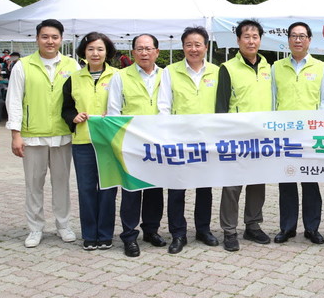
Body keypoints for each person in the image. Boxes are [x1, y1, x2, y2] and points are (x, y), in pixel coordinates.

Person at [6, 19, 79, 248]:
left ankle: (63, 225)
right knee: (33, 184)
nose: (50, 41)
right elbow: (14, 101)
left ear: (61, 39)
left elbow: (79, 97)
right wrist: (16, 134)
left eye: (54, 37)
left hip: (62, 135)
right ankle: (35, 228)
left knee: (62, 183)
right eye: (45, 37)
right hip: (33, 135)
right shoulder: (23, 65)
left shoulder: (72, 65)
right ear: (37, 38)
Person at [157, 26, 220, 253]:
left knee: (205, 189)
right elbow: (164, 105)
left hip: (207, 140)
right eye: (189, 45)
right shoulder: (170, 71)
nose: (193, 49)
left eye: (198, 44)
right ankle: (178, 233)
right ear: (183, 47)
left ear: (206, 47)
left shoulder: (217, 71)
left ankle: (203, 229)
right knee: (177, 189)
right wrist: (167, 136)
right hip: (179, 140)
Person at [107, 34, 166, 257]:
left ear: (157, 52)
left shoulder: (166, 75)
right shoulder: (120, 76)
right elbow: (113, 111)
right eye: (139, 49)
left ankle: (151, 230)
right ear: (133, 52)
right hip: (130, 143)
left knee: (155, 190)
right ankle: (129, 236)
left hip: (156, 143)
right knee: (131, 191)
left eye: (148, 49)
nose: (144, 53)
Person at [215, 19, 272, 251]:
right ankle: (229, 231)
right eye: (246, 37)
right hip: (236, 136)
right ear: (238, 40)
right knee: (232, 186)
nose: (251, 41)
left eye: (255, 36)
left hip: (262, 136)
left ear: (260, 40)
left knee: (257, 183)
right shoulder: (227, 68)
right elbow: (221, 105)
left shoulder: (269, 68)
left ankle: (253, 225)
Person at [272, 22, 324, 245]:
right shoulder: (277, 67)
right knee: (286, 181)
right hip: (284, 134)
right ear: (288, 40)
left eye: (302, 36)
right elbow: (272, 99)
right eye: (294, 36)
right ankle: (287, 228)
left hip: (309, 135)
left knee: (310, 181)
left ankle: (312, 228)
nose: (298, 40)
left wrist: (317, 128)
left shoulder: (321, 67)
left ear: (309, 40)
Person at [61, 32, 119, 251]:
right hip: (83, 141)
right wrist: (73, 117)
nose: (95, 53)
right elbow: (66, 108)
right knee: (86, 189)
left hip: (109, 141)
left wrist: (113, 114)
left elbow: (125, 104)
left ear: (107, 52)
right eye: (91, 49)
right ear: (83, 52)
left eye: (100, 49)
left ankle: (105, 234)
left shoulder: (118, 76)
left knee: (108, 189)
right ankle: (89, 235)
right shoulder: (74, 78)